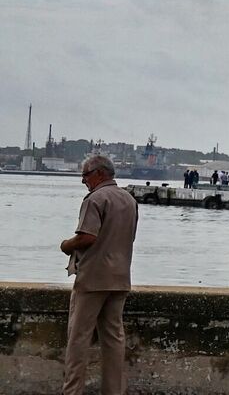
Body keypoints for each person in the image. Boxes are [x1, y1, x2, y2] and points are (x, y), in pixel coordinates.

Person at [59, 154, 138, 395]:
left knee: (78, 339)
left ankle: (72, 392)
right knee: (114, 339)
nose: (83, 180)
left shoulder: (95, 199)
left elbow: (87, 237)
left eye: (85, 174)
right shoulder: (129, 199)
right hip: (120, 277)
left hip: (93, 279)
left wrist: (66, 245)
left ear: (100, 173)